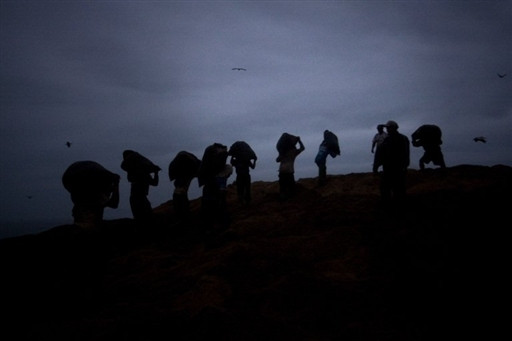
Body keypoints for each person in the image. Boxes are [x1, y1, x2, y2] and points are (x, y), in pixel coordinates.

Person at [62, 161, 120, 228]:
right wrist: (116, 184)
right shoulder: (97, 197)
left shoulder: (78, 195)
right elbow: (114, 204)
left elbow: (113, 203)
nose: (110, 192)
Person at [374, 120, 410, 203]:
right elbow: (380, 152)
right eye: (387, 128)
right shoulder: (388, 140)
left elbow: (406, 153)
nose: (387, 130)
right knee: (386, 188)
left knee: (397, 188)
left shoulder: (401, 139)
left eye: (389, 128)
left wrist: (404, 165)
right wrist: (376, 165)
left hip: (397, 168)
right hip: (390, 168)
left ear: (394, 128)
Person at [121, 150, 161, 222]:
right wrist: (156, 173)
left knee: (141, 219)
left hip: (137, 198)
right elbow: (155, 183)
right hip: (139, 199)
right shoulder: (141, 173)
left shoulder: (133, 173)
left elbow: (154, 183)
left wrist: (156, 173)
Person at [198, 143, 231, 226]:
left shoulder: (209, 155)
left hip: (210, 185)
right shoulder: (218, 167)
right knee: (216, 205)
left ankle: (209, 225)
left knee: (209, 206)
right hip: (213, 186)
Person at [168, 151, 201, 218]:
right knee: (181, 194)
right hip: (185, 167)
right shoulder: (192, 165)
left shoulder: (191, 163)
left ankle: (180, 213)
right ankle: (182, 214)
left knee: (180, 193)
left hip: (180, 168)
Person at [276, 133, 305, 200]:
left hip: (282, 171)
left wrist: (281, 156)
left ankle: (282, 199)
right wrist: (299, 141)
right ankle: (290, 199)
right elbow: (302, 148)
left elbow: (277, 160)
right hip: (289, 171)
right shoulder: (294, 152)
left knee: (282, 187)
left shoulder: (283, 152)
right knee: (291, 186)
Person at [228, 141, 257, 205]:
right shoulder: (246, 160)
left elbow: (231, 162)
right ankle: (247, 201)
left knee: (240, 189)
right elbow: (253, 167)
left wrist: (232, 155)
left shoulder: (236, 160)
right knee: (247, 188)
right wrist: (254, 161)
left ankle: (241, 201)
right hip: (246, 176)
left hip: (240, 176)